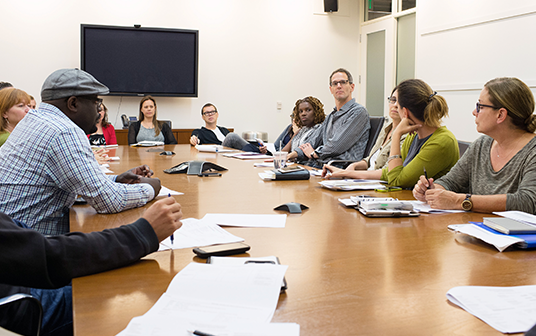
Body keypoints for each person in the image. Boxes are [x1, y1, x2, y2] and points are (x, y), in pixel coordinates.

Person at [0, 68, 161, 235]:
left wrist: (116, 179)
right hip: (25, 248)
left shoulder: (33, 120)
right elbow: (109, 201)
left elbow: (71, 179)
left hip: (10, 238)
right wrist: (151, 188)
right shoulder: (64, 131)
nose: (99, 111)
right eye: (96, 103)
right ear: (73, 104)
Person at [0, 197, 183, 336]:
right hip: (19, 300)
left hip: (21, 267)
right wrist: (142, 233)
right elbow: (50, 257)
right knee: (137, 291)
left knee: (123, 273)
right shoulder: (60, 144)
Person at [413, 77, 536, 214]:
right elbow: (450, 182)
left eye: (480, 106)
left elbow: (527, 201)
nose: (474, 112)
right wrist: (432, 190)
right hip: (476, 230)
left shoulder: (533, 151)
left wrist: (460, 201)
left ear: (500, 114)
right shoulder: (482, 145)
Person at [323, 79, 459, 188]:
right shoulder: (415, 136)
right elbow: (390, 172)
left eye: (397, 104)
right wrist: (347, 173)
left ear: (404, 112)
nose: (394, 106)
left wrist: (396, 134)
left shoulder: (441, 141)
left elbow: (396, 179)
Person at [292, 68, 370, 168]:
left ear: (352, 87)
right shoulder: (330, 116)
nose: (338, 86)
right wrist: (290, 155)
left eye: (343, 82)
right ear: (331, 89)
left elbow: (336, 145)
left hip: (340, 168)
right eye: (335, 83)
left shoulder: (358, 112)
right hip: (321, 165)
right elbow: (313, 140)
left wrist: (315, 153)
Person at [322, 87, 407, 173]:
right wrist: (353, 166)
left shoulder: (407, 134)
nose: (395, 105)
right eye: (393, 100)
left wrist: (350, 174)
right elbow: (370, 160)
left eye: (401, 102)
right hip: (366, 177)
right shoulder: (386, 128)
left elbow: (387, 172)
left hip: (376, 182)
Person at [190, 103, 268, 153]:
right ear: (203, 117)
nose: (210, 114)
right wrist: (194, 139)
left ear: (217, 114)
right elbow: (195, 138)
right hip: (219, 155)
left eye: (212, 112)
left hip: (234, 152)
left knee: (235, 139)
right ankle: (259, 151)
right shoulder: (199, 132)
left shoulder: (224, 130)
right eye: (206, 113)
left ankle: (260, 151)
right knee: (232, 136)